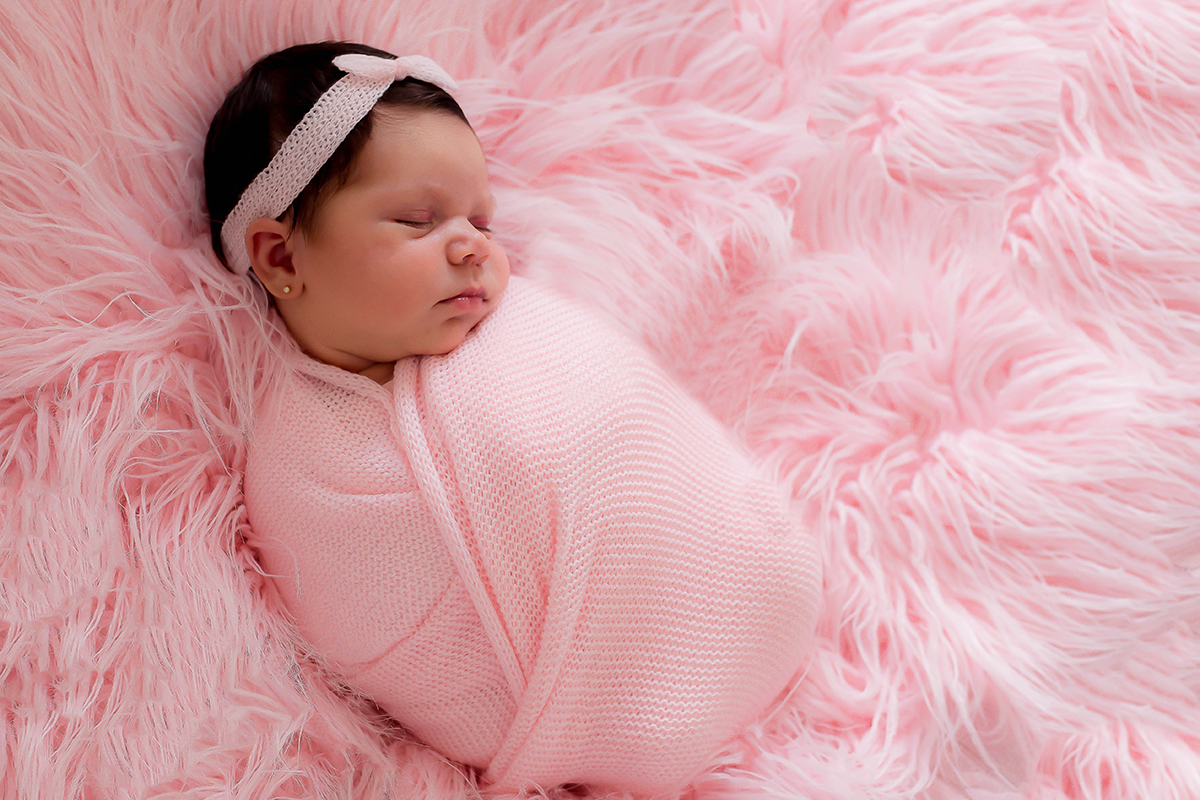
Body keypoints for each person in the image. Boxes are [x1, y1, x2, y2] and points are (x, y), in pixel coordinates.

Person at [205, 41, 821, 797]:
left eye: (481, 220)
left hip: (745, 572)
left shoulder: (520, 332)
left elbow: (629, 417)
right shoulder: (300, 468)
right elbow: (365, 626)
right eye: (416, 219)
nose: (472, 246)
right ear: (281, 258)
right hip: (577, 710)